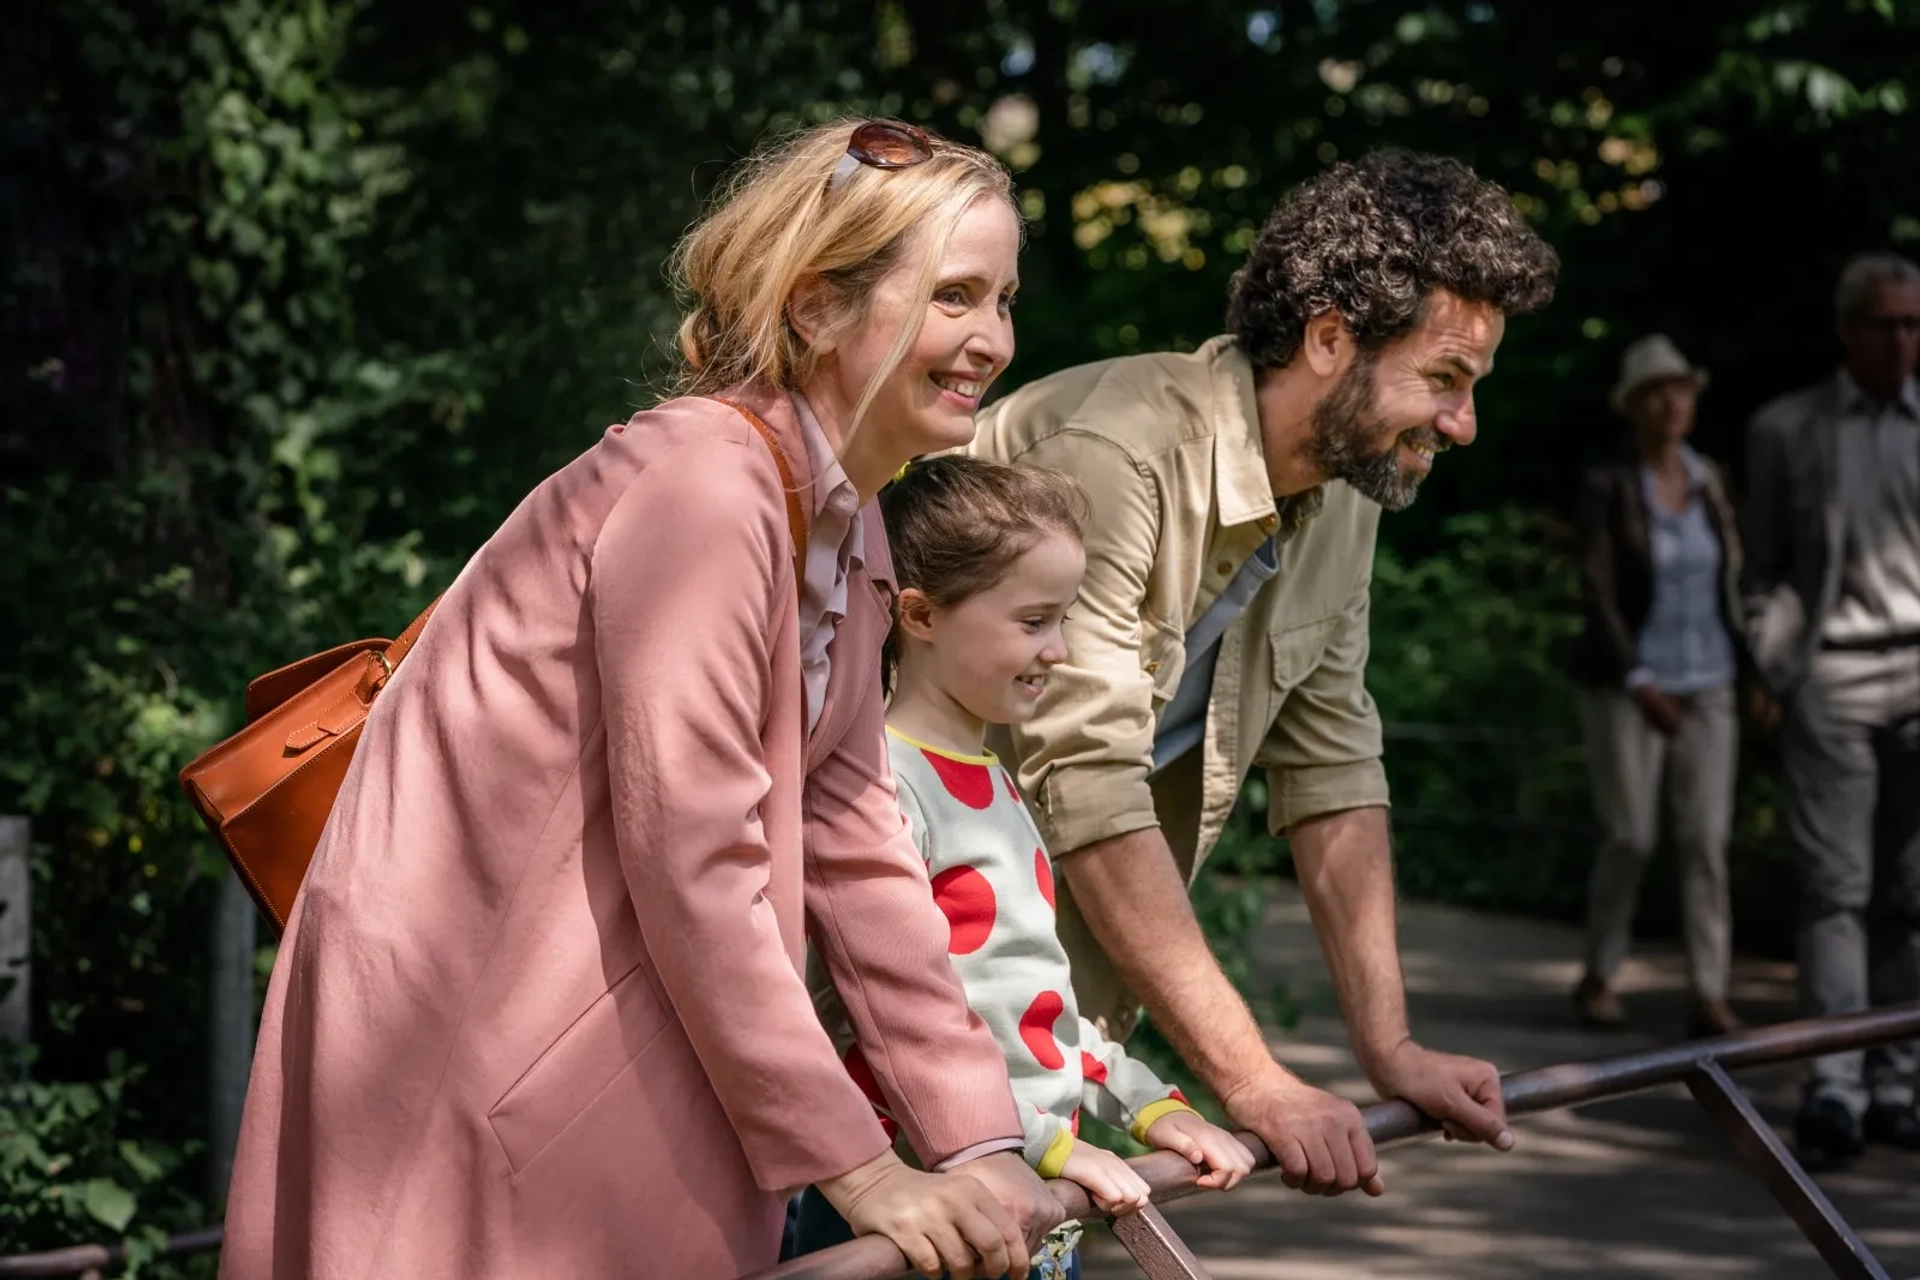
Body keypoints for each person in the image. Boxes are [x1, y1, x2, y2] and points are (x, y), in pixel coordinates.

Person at [217, 119, 1061, 1280]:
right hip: (489, 1047)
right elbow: (698, 856)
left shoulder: (846, 517)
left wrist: (978, 1132)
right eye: (955, 295)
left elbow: (857, 837)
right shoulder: (704, 487)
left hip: (609, 1044)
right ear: (814, 307)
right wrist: (862, 1168)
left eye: (1004, 299)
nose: (993, 340)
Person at [965, 149, 1559, 1197]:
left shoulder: (1348, 492)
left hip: (1044, 1024)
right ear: (1331, 338)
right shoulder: (1121, 452)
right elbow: (1088, 783)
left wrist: (1391, 1046)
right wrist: (1256, 1080)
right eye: (1445, 379)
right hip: (896, 1005)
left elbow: (1333, 761)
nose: (1463, 423)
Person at [798, 457, 1255, 1275]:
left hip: (1025, 1196)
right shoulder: (882, 787)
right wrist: (1045, 1146)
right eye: (1035, 620)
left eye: (1065, 618)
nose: (1062, 649)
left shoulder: (997, 782)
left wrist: (1147, 1105)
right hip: (931, 1215)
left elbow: (1032, 1008)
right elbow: (878, 1035)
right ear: (920, 613)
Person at [1744, 250, 1920, 1170]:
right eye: (1885, 323)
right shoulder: (1789, 429)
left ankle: (1896, 1082)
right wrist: (1780, 667)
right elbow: (1762, 566)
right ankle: (1834, 1087)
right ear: (1848, 330)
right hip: (1835, 679)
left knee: (1910, 895)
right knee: (1834, 892)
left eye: (1914, 324)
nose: (1902, 341)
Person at [1568, 334, 1746, 1039]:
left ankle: (1709, 991)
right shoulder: (1610, 486)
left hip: (1712, 683)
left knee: (1706, 839)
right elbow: (1598, 585)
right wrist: (1637, 678)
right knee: (1632, 836)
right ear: (1636, 407)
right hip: (1626, 683)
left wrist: (1756, 671)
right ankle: (1600, 973)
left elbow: (1736, 585)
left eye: (1682, 389)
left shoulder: (1713, 483)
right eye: (1657, 391)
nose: (1673, 401)